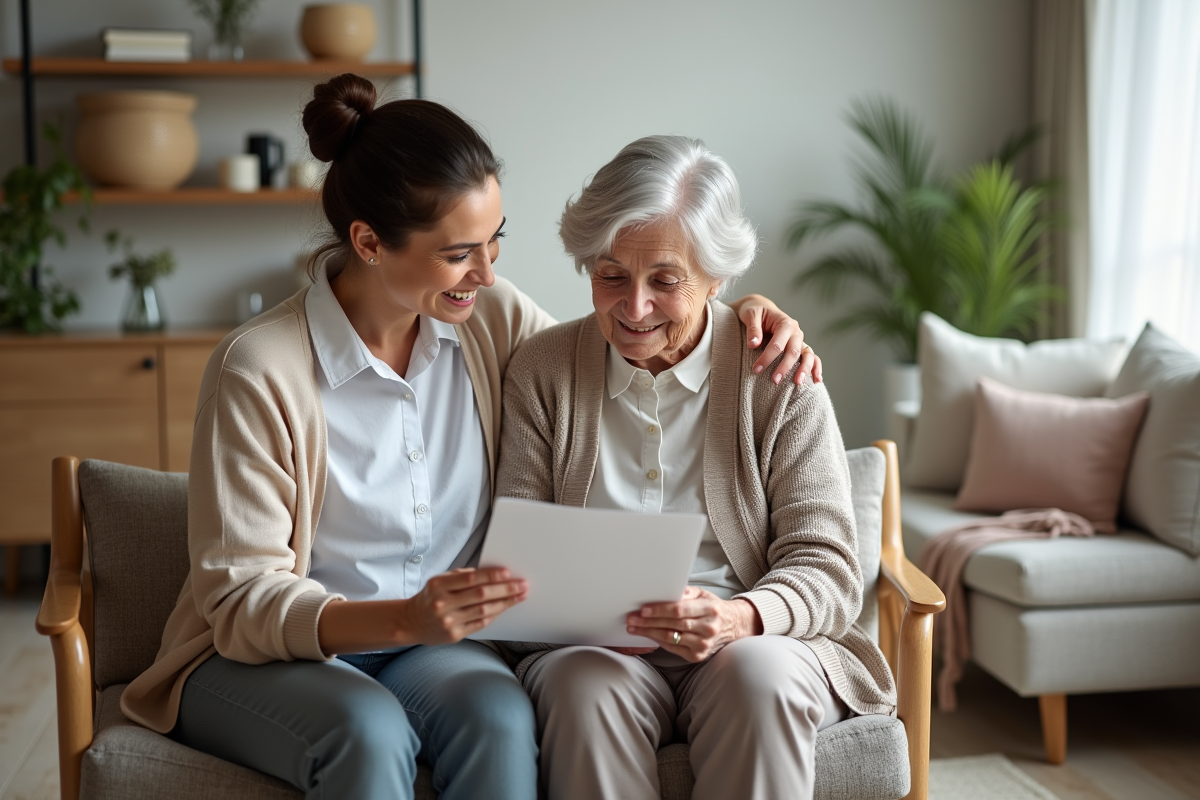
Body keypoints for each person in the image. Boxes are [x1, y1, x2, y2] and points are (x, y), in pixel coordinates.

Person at [118, 76, 819, 800]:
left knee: (499, 718)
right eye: (460, 254)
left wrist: (741, 314)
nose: (487, 274)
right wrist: (406, 617)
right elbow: (240, 605)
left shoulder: (487, 319)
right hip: (276, 655)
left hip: (434, 650)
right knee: (370, 732)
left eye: (495, 243)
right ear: (368, 242)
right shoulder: (259, 369)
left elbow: (629, 342)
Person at [497, 135, 897, 800]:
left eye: (666, 279)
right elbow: (519, 559)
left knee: (756, 680)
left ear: (720, 279)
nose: (633, 307)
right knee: (581, 687)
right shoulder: (543, 371)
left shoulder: (777, 374)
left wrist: (742, 617)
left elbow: (828, 566)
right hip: (595, 652)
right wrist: (577, 616)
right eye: (610, 274)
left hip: (755, 641)